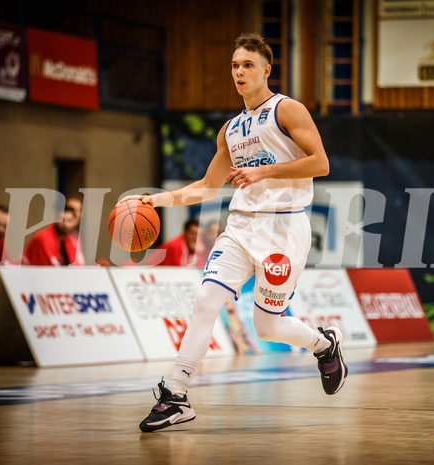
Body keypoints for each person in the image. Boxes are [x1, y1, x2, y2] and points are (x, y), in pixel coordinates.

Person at [125, 32, 347, 433]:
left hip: (283, 227)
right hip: (241, 226)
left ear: (266, 69)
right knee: (206, 301)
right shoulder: (231, 128)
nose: (239, 71)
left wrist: (263, 171)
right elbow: (208, 188)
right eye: (234, 65)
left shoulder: (288, 110)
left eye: (247, 64)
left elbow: (321, 163)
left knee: (267, 326)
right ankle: (176, 394)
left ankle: (324, 343)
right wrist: (155, 201)